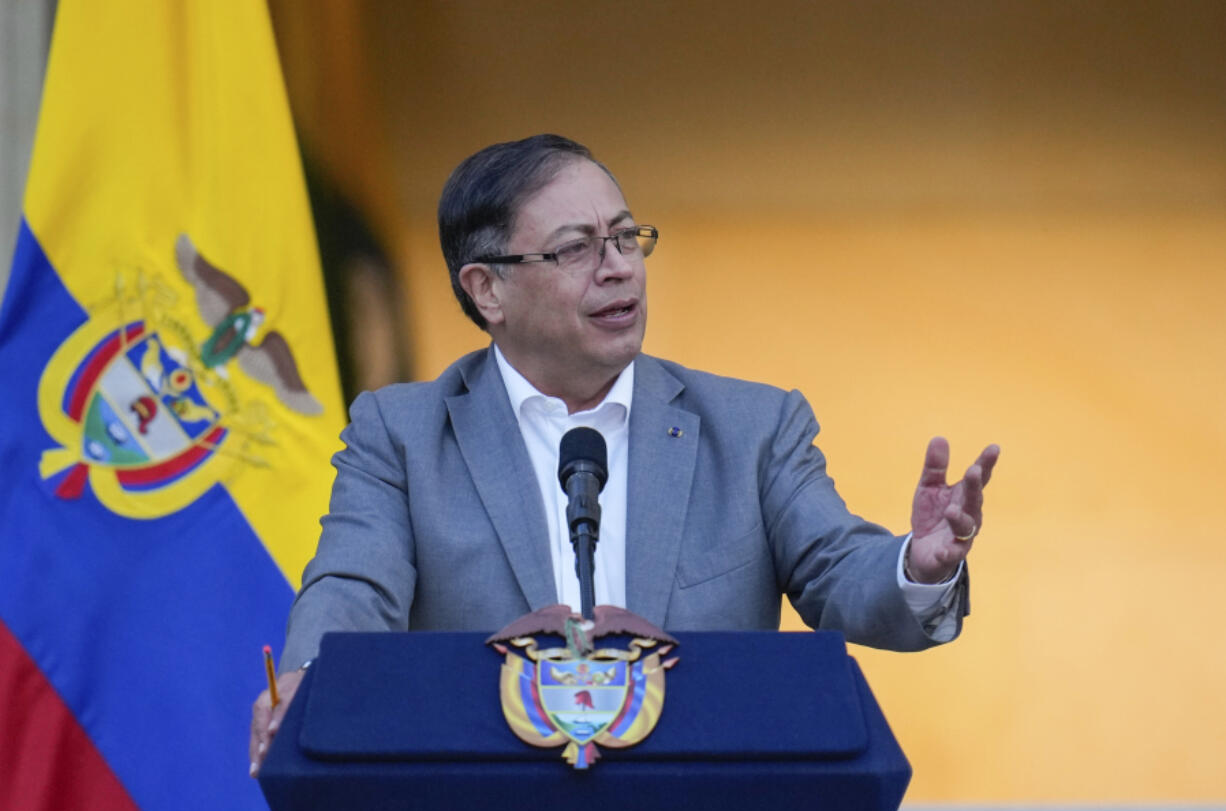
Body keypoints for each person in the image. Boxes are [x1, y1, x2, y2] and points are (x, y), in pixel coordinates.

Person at [248, 134, 999, 775]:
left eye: (626, 237)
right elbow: (352, 587)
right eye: (577, 248)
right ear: (487, 291)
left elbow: (839, 571)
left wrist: (917, 566)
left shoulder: (752, 426)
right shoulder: (404, 434)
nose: (619, 267)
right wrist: (309, 687)